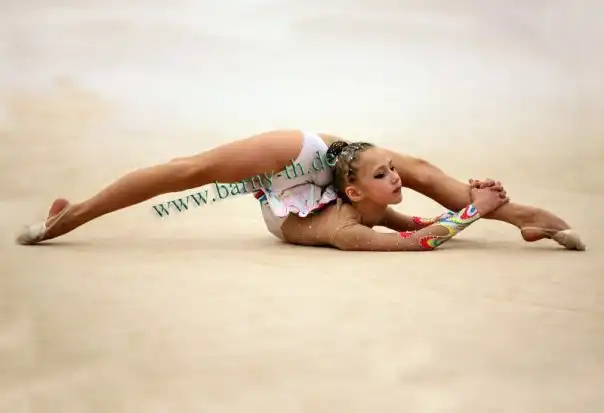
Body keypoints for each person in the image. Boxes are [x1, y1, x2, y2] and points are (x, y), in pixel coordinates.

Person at [15, 129, 585, 251]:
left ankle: (525, 217)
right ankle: (71, 216)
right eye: (383, 176)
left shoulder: (353, 212)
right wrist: (473, 208)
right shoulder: (351, 223)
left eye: (387, 174)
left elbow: (420, 227)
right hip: (297, 178)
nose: (396, 180)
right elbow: (423, 237)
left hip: (305, 192)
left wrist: (477, 206)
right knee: (191, 170)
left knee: (419, 166)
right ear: (354, 194)